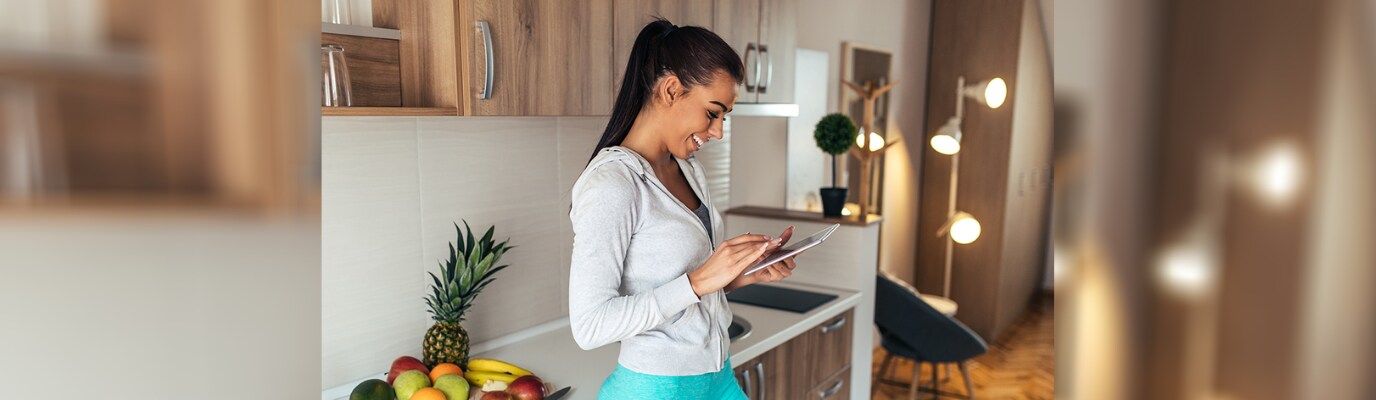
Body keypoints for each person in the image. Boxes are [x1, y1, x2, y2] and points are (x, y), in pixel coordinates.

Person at [567, 18, 799, 400]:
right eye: (713, 113)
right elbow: (590, 326)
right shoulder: (613, 184)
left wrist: (744, 272)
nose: (719, 131)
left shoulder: (689, 171)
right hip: (657, 388)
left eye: (725, 116)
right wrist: (699, 281)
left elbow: (685, 288)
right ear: (671, 90)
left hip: (718, 376)